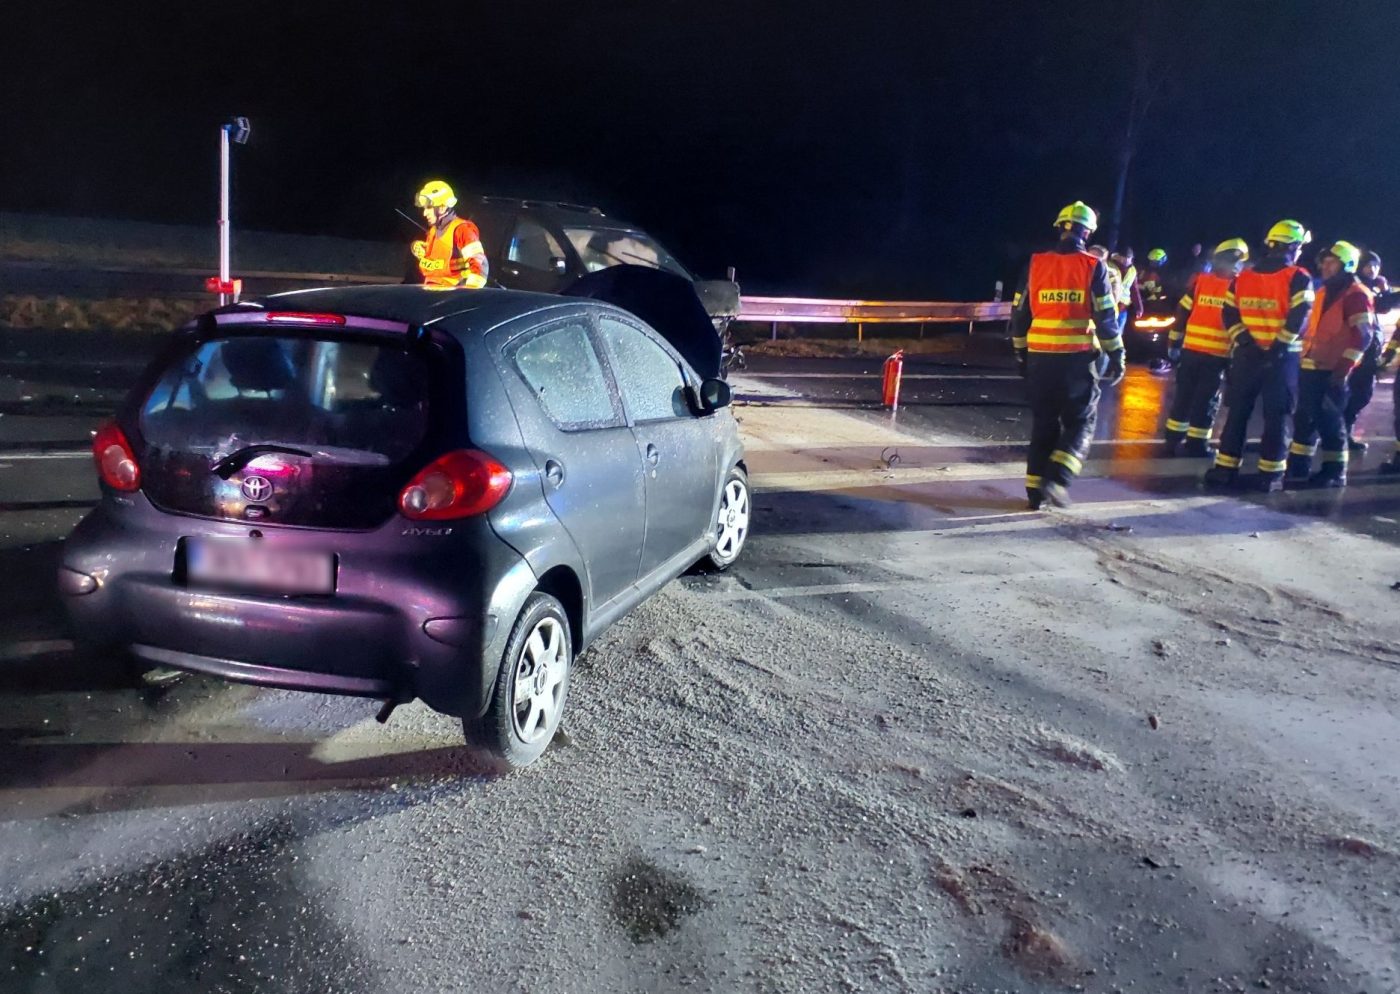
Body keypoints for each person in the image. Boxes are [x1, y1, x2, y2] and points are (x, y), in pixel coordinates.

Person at [1010, 201, 1123, 510]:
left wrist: (1021, 354)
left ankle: (1035, 492)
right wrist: (1116, 354)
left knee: (1044, 422)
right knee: (1081, 421)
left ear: (1060, 227)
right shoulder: (1093, 266)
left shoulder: (1034, 264)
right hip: (1077, 359)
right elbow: (1105, 317)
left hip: (1040, 358)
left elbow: (1019, 316)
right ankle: (1057, 479)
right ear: (1087, 232)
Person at [1203, 220, 1316, 492]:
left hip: (1247, 357)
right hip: (1281, 359)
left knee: (1238, 412)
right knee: (1277, 416)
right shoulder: (1298, 276)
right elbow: (1300, 316)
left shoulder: (1245, 277)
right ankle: (1271, 474)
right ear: (1293, 247)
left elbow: (1228, 313)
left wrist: (1245, 341)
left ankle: (1225, 470)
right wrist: (1277, 347)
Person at [1285, 242, 1375, 487]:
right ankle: (1298, 465)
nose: (1325, 266)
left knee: (1330, 422)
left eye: (1331, 262)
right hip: (1311, 365)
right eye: (1324, 262)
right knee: (1305, 419)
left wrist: (1344, 369)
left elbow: (1363, 336)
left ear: (1346, 265)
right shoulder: (1323, 291)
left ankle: (1335, 471)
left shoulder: (1356, 294)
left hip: (1334, 370)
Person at [1161, 238, 1249, 457]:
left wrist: (1174, 341)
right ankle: (1197, 445)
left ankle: (1172, 441)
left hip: (1191, 351)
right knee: (1205, 401)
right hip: (1217, 355)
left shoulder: (1202, 281)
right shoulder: (1239, 287)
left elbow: (1182, 312)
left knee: (1183, 397)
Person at [1342, 250, 1390, 451]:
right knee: (1351, 395)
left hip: (1369, 353)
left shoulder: (1371, 288)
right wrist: (1385, 292)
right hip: (1355, 352)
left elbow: (1383, 307)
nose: (1372, 270)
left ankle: (1344, 432)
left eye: (1376, 266)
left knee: (1362, 395)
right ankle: (1340, 434)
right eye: (1368, 265)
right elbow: (1382, 305)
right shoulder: (1357, 288)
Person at [410, 180, 488, 289]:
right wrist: (421, 251)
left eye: (428, 208)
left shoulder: (462, 229)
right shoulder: (434, 230)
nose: (424, 213)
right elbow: (438, 265)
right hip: (432, 293)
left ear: (442, 207)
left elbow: (480, 264)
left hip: (452, 297)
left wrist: (468, 295)